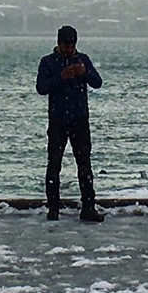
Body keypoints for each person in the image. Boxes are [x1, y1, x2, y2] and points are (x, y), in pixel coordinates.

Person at [37, 24, 104, 222]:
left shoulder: (82, 60)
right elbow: (41, 88)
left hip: (79, 120)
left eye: (72, 46)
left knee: (84, 164)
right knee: (54, 164)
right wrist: (60, 77)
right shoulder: (48, 62)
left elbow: (97, 82)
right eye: (66, 46)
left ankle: (88, 207)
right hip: (58, 120)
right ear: (58, 44)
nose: (69, 50)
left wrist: (84, 72)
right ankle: (53, 207)